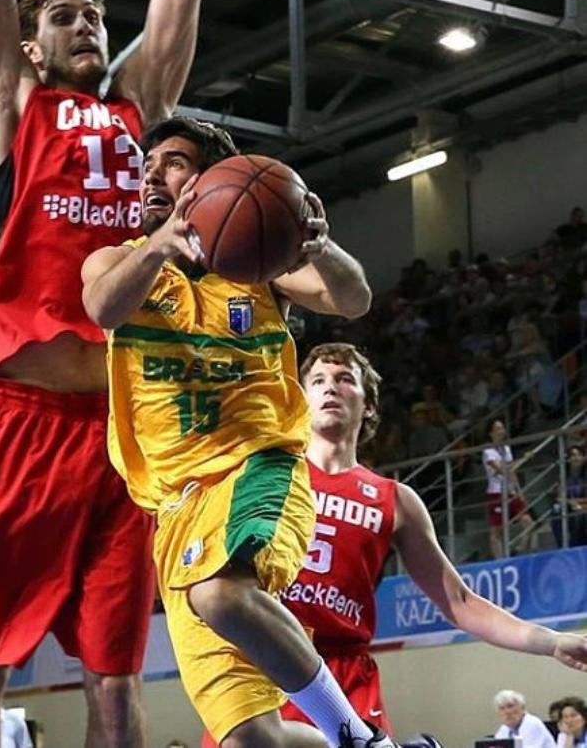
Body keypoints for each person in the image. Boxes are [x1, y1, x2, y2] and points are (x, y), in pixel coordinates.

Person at [0, 0, 209, 747]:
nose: (87, 24)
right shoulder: (14, 104)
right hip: (22, 417)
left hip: (125, 436)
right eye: (64, 14)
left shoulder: (138, 111)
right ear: (29, 43)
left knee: (118, 677)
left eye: (94, 13)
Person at [82, 116, 383, 748]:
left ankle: (362, 739)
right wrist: (164, 244)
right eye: (147, 165)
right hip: (174, 508)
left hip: (258, 467)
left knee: (221, 595)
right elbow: (102, 306)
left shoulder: (259, 267)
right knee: (254, 741)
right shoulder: (120, 263)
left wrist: (319, 246)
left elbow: (353, 299)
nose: (152, 176)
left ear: (215, 181)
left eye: (172, 162)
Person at [206, 343, 587, 746]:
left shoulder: (394, 499)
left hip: (344, 670)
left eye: (344, 379)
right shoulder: (265, 471)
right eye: (317, 381)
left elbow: (460, 602)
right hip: (263, 658)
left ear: (368, 405)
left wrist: (552, 640)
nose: (330, 388)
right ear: (301, 400)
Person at [482, 419, 534, 558]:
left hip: (510, 491)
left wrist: (520, 491)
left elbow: (512, 472)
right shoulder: (488, 451)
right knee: (496, 531)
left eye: (502, 428)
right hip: (496, 492)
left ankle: (518, 551)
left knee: (528, 522)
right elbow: (501, 470)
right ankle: (499, 560)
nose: (501, 431)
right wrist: (524, 459)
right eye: (497, 429)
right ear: (491, 433)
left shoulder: (506, 449)